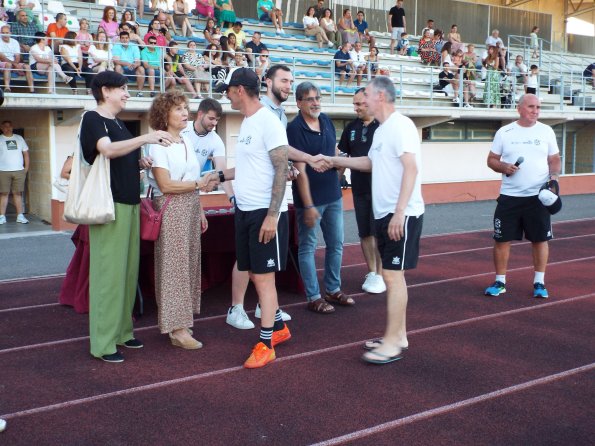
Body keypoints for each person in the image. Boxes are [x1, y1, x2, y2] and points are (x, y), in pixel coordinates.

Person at [321, 76, 424, 364]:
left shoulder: (400, 125)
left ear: (379, 96)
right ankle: (398, 335)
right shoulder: (381, 131)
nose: (361, 99)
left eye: (365, 93)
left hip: (401, 214)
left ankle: (392, 342)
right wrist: (335, 160)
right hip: (386, 213)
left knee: (392, 275)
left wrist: (400, 212)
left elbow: (411, 169)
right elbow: (370, 163)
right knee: (393, 276)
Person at [80, 71, 174, 362]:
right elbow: (106, 150)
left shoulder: (118, 122)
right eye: (122, 89)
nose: (127, 93)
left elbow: (121, 156)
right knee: (109, 277)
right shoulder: (93, 119)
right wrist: (146, 138)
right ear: (105, 91)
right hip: (110, 207)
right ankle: (103, 342)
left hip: (130, 205)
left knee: (127, 273)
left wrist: (139, 159)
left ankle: (122, 332)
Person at [216, 68, 292, 368]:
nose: (226, 95)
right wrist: (219, 175)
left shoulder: (267, 122)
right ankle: (279, 329)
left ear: (240, 90)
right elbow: (251, 167)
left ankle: (265, 344)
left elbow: (281, 168)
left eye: (228, 90)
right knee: (253, 271)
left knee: (263, 278)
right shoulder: (247, 121)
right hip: (246, 211)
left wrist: (272, 215)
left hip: (264, 212)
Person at [147, 91, 217, 350]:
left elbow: (191, 180)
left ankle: (183, 321)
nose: (185, 112)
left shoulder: (186, 140)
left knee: (188, 265)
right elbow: (165, 184)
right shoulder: (157, 144)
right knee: (173, 269)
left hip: (189, 206)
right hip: (171, 207)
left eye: (185, 107)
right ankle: (176, 329)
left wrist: (199, 210)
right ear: (164, 114)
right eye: (178, 109)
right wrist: (197, 185)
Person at [484, 94, 561, 299]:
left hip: (538, 197)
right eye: (531, 107)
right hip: (509, 197)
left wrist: (554, 179)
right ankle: (500, 281)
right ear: (519, 109)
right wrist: (503, 166)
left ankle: (539, 283)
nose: (535, 111)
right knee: (501, 240)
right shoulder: (505, 132)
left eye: (538, 107)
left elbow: (554, 159)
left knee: (539, 240)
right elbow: (491, 160)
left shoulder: (546, 131)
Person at [287, 81, 349, 314]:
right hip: (310, 201)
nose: (315, 102)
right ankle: (313, 296)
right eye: (310, 99)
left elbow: (333, 152)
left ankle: (333, 289)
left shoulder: (326, 120)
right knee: (308, 247)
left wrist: (340, 165)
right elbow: (300, 169)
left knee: (336, 244)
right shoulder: (294, 129)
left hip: (333, 194)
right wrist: (309, 204)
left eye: (318, 98)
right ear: (299, 103)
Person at [337, 88, 385, 294]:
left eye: (359, 104)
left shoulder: (385, 127)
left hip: (383, 190)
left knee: (381, 232)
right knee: (365, 232)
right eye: (354, 104)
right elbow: (342, 156)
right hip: (360, 189)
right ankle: (372, 272)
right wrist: (336, 181)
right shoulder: (351, 128)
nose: (355, 108)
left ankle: (382, 275)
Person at [0, 120, 29, 224]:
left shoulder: (19, 138)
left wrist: (26, 168)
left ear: (12, 127)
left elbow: (25, 153)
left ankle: (20, 216)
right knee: (4, 193)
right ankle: (2, 217)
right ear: (1, 128)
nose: (7, 128)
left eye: (9, 126)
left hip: (19, 170)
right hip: (3, 171)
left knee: (17, 193)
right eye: (5, 126)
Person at [0, 24, 34, 93]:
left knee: (27, 66)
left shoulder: (14, 42)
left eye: (7, 33)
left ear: (10, 33)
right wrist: (15, 65)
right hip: (3, 63)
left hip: (14, 63)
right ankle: (7, 88)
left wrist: (15, 64)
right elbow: (2, 57)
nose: (5, 35)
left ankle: (32, 90)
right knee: (8, 65)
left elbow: (17, 57)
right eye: (3, 33)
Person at [112, 31, 146, 97]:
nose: (125, 40)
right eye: (123, 38)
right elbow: (116, 61)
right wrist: (127, 63)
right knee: (118, 67)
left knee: (141, 69)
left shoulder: (134, 46)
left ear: (129, 38)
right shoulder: (116, 46)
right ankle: (122, 91)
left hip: (133, 68)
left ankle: (139, 92)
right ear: (120, 39)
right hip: (122, 68)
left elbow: (138, 61)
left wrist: (135, 65)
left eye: (126, 38)